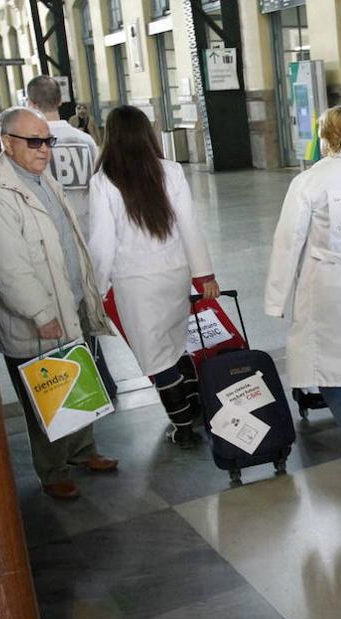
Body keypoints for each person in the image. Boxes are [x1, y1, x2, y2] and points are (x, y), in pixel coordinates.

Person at [0, 107, 119, 499]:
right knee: (46, 397)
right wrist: (40, 313)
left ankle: (82, 451)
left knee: (78, 382)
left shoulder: (43, 180)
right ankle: (53, 470)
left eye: (47, 141)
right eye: (34, 142)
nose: (44, 150)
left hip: (68, 303)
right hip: (36, 319)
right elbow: (7, 268)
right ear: (6, 142)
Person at [265, 105, 341, 493]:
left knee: (328, 368)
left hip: (325, 287)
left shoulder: (309, 181)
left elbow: (288, 242)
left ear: (325, 137)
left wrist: (276, 298)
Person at [86, 106, 218, 448]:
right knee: (174, 343)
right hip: (174, 276)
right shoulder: (171, 171)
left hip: (134, 283)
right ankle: (195, 407)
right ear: (148, 133)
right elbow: (190, 225)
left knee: (155, 355)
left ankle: (183, 424)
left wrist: (96, 289)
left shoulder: (104, 181)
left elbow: (102, 244)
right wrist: (204, 275)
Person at [28, 77, 100, 240]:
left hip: (50, 233)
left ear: (31, 104)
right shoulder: (86, 141)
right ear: (60, 101)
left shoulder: (31, 145)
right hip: (87, 230)